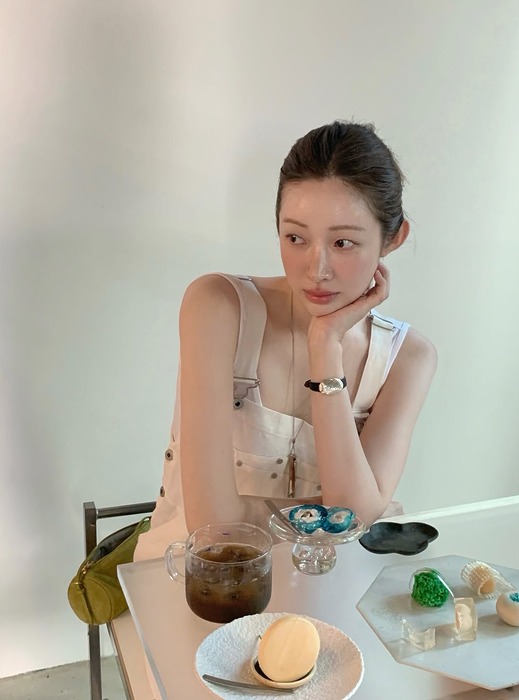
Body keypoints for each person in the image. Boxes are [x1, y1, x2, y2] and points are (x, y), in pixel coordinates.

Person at [135, 120, 437, 562]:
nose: (316, 270)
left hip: (328, 582)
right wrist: (328, 515)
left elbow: (353, 515)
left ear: (393, 238)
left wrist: (325, 346)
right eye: (296, 237)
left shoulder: (407, 358)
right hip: (202, 578)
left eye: (343, 243)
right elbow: (216, 530)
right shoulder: (218, 307)